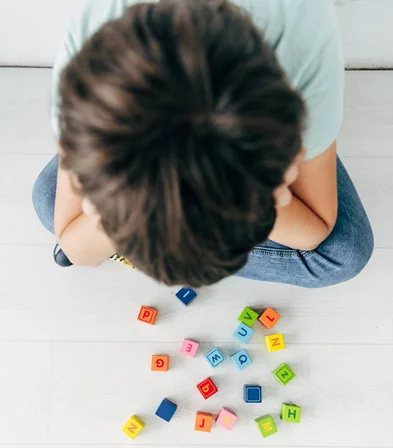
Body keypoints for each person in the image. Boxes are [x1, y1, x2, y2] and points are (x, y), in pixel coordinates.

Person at [32, 0, 374, 287]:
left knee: (345, 252)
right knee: (53, 202)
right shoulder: (91, 58)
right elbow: (74, 245)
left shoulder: (303, 39)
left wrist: (134, 221)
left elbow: (315, 231)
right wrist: (140, 213)